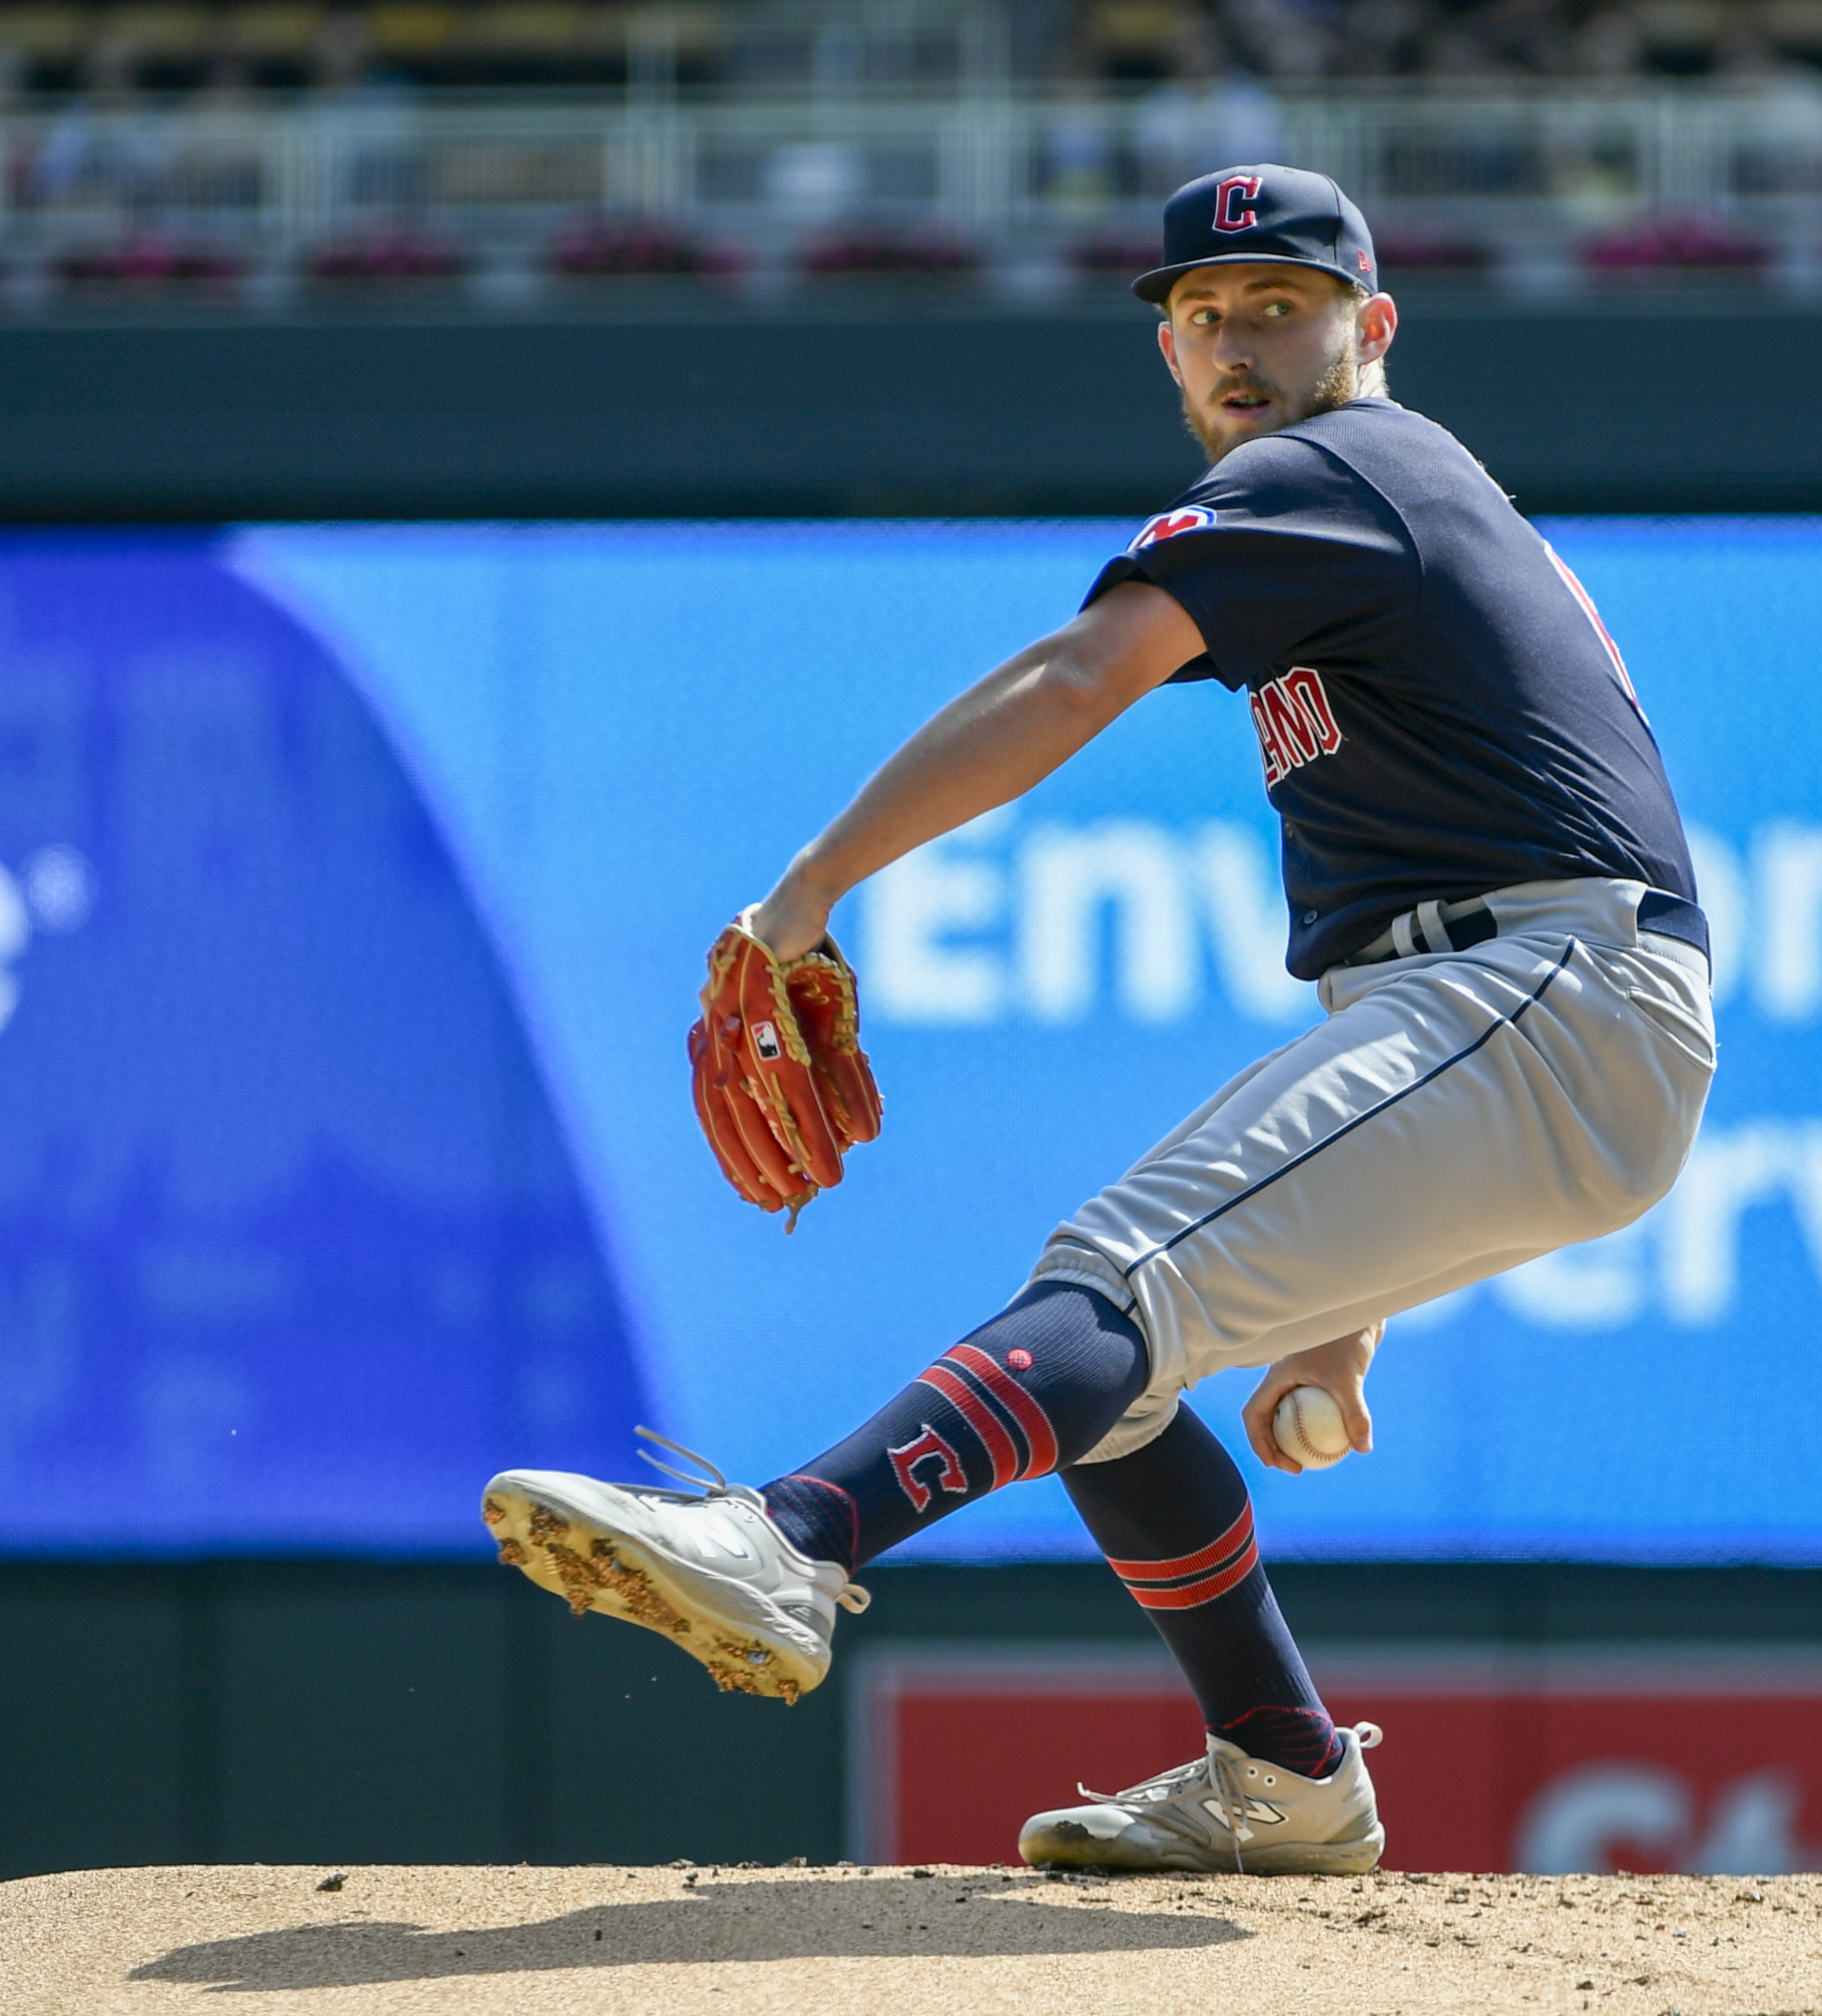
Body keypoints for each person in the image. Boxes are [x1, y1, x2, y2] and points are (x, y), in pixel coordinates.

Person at [483, 164, 1718, 1876]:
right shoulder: (1375, 503)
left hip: (1543, 987)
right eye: (1199, 315)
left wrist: (806, 888)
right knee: (1121, 1372)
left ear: (1372, 328)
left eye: (1277, 307)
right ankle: (1280, 1770)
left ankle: (795, 1534)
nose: (1232, 342)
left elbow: (1076, 678)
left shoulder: (1341, 460)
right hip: (1520, 1007)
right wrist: (1346, 1308)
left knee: (1115, 1283)